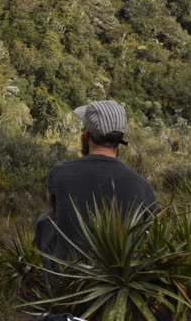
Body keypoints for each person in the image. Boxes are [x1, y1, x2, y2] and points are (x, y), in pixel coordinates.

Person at [35, 100, 156, 262]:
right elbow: (150, 228)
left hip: (68, 275)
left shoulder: (60, 172)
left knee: (45, 220)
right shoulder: (143, 185)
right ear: (120, 138)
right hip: (120, 278)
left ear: (87, 135)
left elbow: (52, 203)